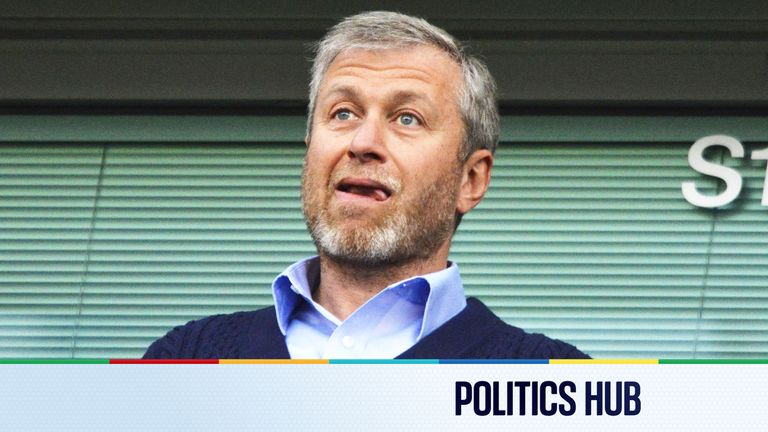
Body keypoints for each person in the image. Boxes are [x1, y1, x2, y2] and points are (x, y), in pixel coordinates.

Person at [144, 11, 588, 359]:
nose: (362, 143)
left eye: (407, 118)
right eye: (343, 113)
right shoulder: (187, 358)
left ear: (470, 180)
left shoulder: (553, 386)